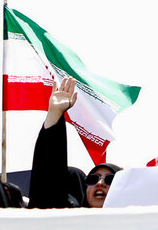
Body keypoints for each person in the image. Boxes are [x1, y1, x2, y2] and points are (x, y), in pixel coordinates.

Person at [29, 77, 121, 209]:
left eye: (110, 179)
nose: (100, 183)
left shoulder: (139, 220)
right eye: (92, 179)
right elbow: (47, 183)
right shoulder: (71, 218)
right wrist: (55, 113)